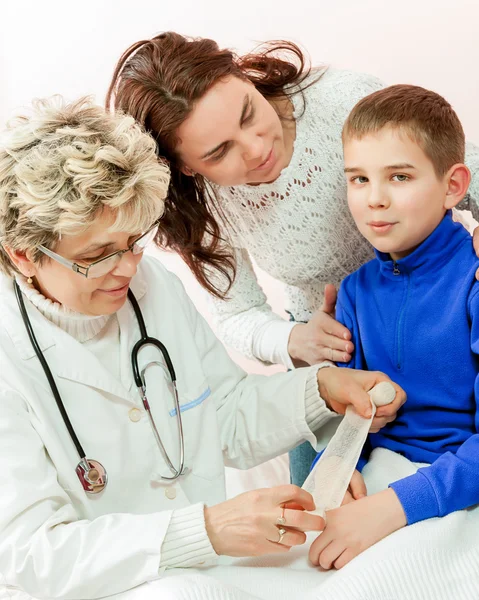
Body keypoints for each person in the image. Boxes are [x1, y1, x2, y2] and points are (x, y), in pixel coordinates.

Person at [0, 96, 405, 600]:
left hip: (205, 568)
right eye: (98, 255)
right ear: (23, 256)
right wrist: (205, 530)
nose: (127, 267)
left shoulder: (150, 285)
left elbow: (225, 416)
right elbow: (31, 554)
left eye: (132, 241)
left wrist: (318, 390)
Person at [106, 31, 479, 486]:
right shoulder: (207, 207)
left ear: (242, 74)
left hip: (443, 318)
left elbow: (459, 170)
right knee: (319, 503)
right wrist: (295, 341)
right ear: (188, 167)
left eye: (248, 114)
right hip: (335, 355)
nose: (257, 147)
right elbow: (236, 314)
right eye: (219, 151)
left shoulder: (342, 98)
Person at [308, 84, 479, 572]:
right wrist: (338, 473)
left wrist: (392, 508)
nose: (375, 200)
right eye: (358, 179)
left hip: (456, 486)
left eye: (399, 177)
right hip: (382, 481)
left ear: (453, 185)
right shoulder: (355, 292)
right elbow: (350, 421)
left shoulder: (475, 280)